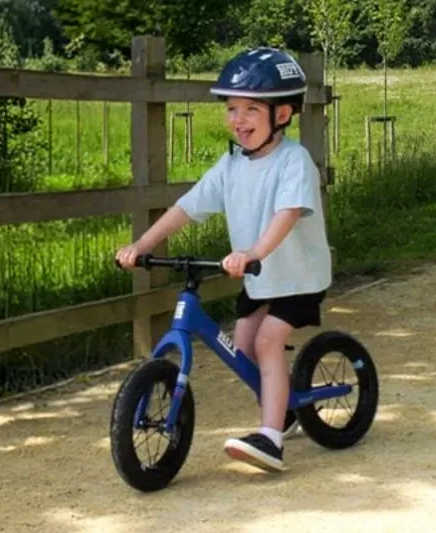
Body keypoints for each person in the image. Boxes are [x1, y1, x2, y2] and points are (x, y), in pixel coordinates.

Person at [114, 47, 332, 473]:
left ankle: (270, 438)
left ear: (282, 114)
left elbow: (287, 214)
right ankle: (285, 411)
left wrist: (253, 253)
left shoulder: (294, 161)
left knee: (267, 342)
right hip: (260, 279)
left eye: (251, 109)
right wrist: (143, 244)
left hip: (299, 277)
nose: (238, 119)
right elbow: (188, 206)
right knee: (245, 344)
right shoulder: (231, 164)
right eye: (232, 108)